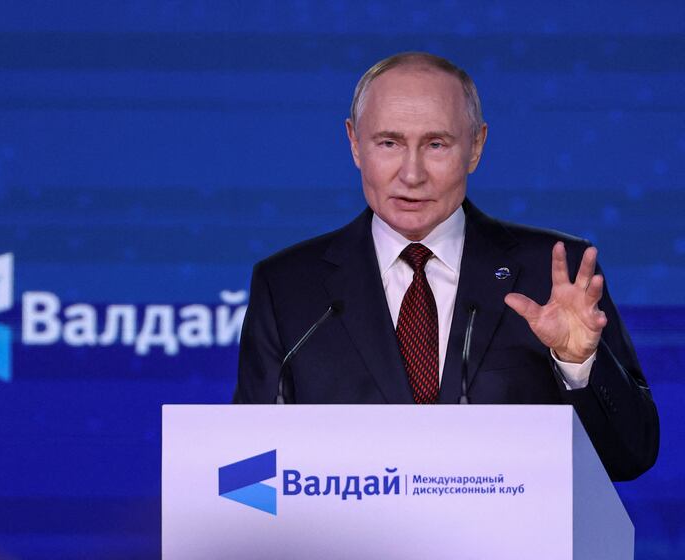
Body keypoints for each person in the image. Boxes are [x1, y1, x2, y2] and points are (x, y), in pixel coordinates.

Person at [232, 52, 658, 481]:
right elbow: (248, 472)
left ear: (476, 146)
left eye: (436, 144)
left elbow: (630, 457)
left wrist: (577, 363)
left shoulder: (552, 273)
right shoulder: (288, 287)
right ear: (354, 143)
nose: (412, 174)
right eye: (389, 143)